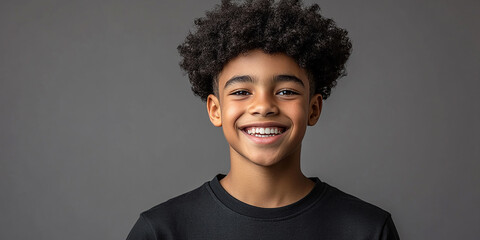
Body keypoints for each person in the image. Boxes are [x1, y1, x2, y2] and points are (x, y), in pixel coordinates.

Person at [126, 0, 400, 239]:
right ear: (215, 110)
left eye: (286, 92)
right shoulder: (161, 231)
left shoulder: (368, 229)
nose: (264, 106)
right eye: (242, 92)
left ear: (313, 109)